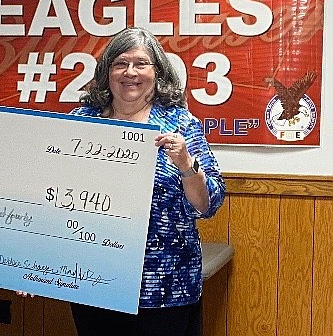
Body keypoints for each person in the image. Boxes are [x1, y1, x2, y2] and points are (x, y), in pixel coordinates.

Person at [66, 27, 226, 335]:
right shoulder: (82, 121)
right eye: (120, 63)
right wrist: (30, 262)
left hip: (165, 285)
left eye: (141, 63)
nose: (130, 72)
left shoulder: (180, 124)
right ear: (106, 72)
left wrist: (187, 166)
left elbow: (208, 205)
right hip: (94, 279)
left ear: (157, 72)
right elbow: (54, 194)